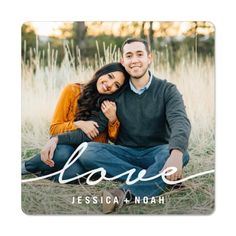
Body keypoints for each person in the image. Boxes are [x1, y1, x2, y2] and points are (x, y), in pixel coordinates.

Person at [50, 38, 191, 213]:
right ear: (123, 61)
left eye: (139, 54)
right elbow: (92, 130)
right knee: (88, 150)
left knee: (180, 152)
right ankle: (158, 177)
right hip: (124, 153)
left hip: (156, 152)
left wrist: (176, 155)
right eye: (129, 56)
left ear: (149, 58)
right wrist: (57, 138)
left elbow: (180, 121)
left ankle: (125, 193)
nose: (134, 60)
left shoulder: (167, 90)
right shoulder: (115, 93)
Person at [21, 62, 129, 181]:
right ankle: (26, 167)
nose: (109, 85)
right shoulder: (72, 90)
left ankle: (46, 174)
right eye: (110, 76)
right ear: (102, 72)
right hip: (65, 146)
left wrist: (113, 119)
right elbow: (54, 129)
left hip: (89, 154)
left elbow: (114, 139)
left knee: (74, 173)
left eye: (116, 85)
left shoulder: (110, 105)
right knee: (63, 154)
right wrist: (78, 124)